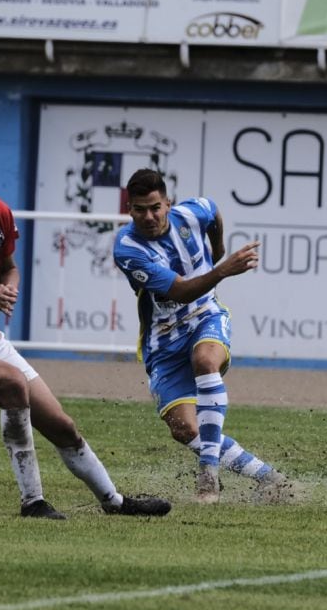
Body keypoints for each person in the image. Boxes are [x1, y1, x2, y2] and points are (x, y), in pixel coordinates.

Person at [0, 131, 171, 520]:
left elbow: (10, 268)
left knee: (62, 424)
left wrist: (7, 289)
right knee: (13, 384)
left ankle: (114, 502)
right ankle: (33, 502)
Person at [113, 168, 290, 504]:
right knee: (184, 430)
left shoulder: (190, 214)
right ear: (129, 210)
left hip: (205, 316)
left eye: (155, 207)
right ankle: (271, 479)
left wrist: (218, 247)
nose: (148, 216)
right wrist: (222, 268)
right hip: (162, 343)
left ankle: (208, 478)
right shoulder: (127, 248)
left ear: (168, 203)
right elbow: (180, 291)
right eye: (139, 209)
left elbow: (213, 210)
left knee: (205, 360)